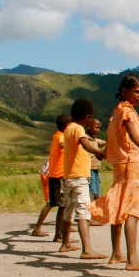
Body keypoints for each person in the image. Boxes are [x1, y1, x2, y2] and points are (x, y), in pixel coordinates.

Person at [91, 73, 139, 270]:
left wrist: (105, 152)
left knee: (119, 208)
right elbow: (132, 134)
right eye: (137, 91)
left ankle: (116, 254)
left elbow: (115, 138)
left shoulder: (116, 113)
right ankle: (132, 259)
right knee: (131, 210)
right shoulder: (128, 113)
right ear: (124, 91)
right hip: (131, 164)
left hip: (120, 165)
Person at [58, 99, 107, 258]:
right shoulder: (78, 129)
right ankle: (87, 249)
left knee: (69, 211)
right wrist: (98, 152)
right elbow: (85, 144)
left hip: (69, 177)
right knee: (84, 211)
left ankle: (65, 243)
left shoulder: (67, 129)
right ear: (87, 117)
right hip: (79, 177)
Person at [42, 114, 70, 241]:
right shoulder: (60, 136)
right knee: (63, 206)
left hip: (56, 175)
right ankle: (59, 235)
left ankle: (60, 234)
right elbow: (62, 145)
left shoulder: (56, 135)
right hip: (60, 176)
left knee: (61, 206)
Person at [32, 157, 53, 237]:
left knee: (64, 202)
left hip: (52, 174)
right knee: (50, 202)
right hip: (48, 176)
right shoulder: (62, 145)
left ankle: (64, 226)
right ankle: (37, 229)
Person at [87, 117, 106, 200]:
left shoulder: (95, 140)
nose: (98, 129)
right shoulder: (85, 139)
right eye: (96, 127)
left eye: (99, 128)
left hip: (96, 169)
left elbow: (104, 143)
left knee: (97, 193)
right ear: (89, 126)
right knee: (92, 192)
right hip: (89, 169)